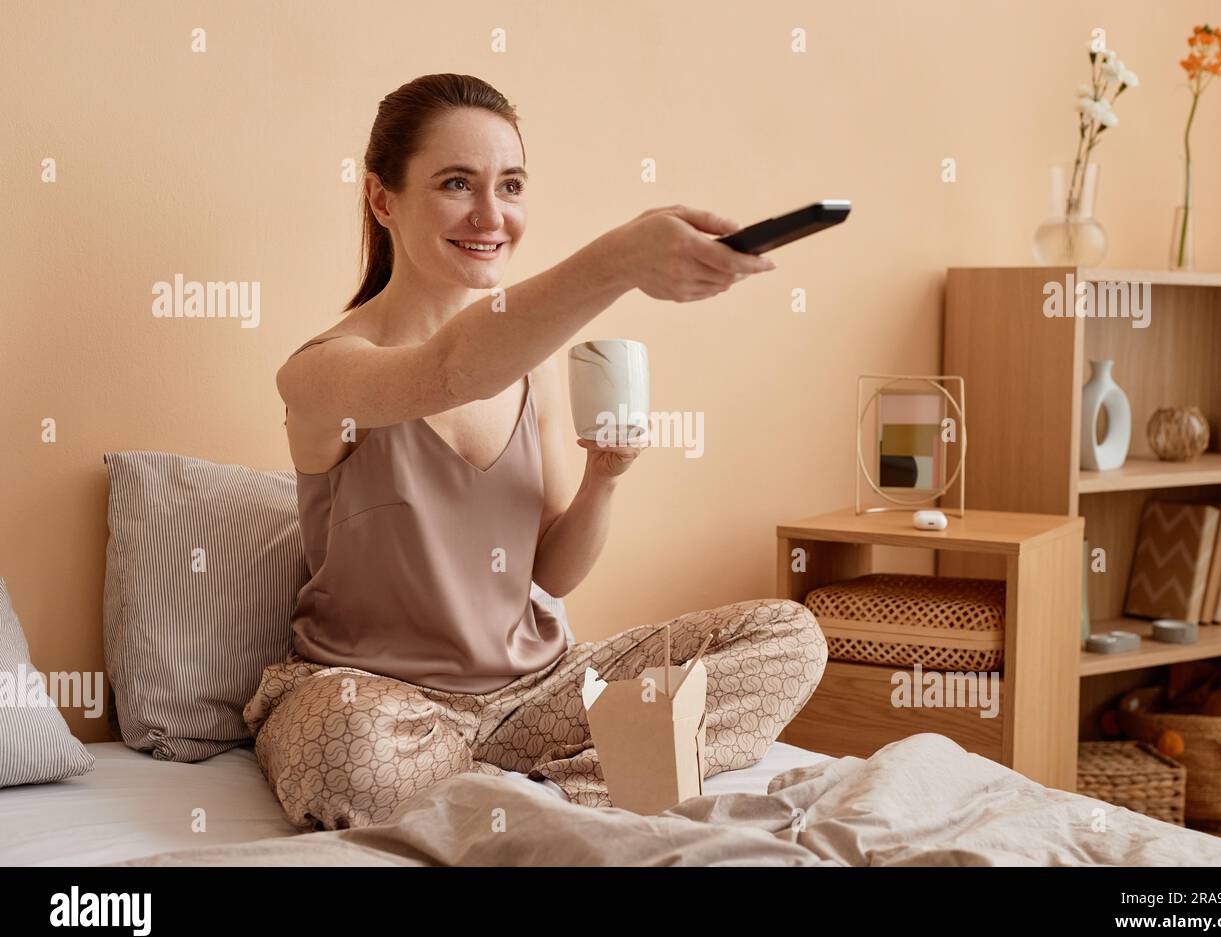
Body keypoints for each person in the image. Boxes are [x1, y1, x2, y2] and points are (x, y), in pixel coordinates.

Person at [244, 72, 827, 830]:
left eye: (511, 185)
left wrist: (604, 481)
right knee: (349, 758)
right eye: (457, 183)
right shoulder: (325, 372)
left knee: (789, 638)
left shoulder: (538, 369)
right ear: (383, 199)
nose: (492, 215)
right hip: (380, 702)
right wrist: (618, 261)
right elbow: (449, 371)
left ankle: (535, 798)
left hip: (537, 695)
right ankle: (592, 788)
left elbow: (549, 575)